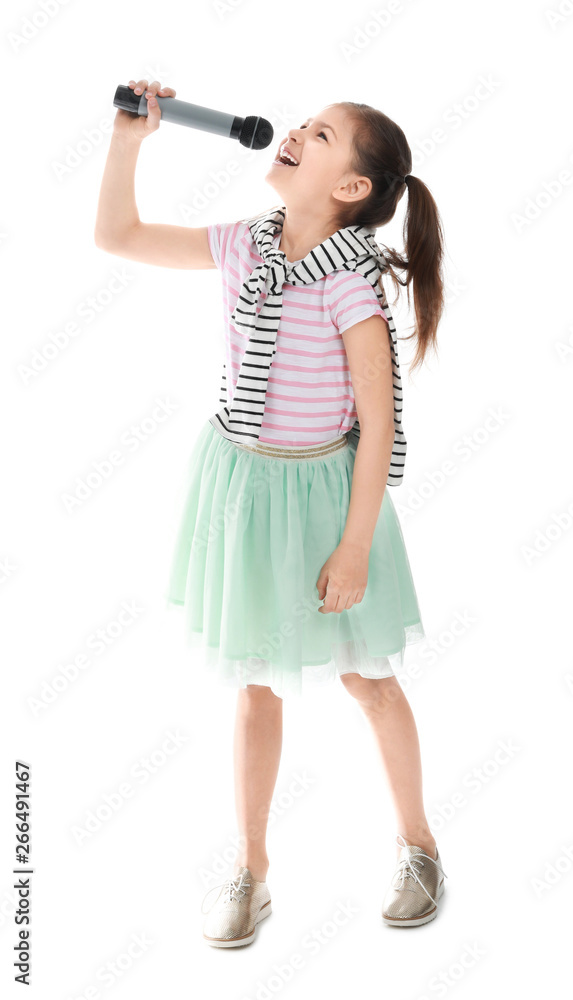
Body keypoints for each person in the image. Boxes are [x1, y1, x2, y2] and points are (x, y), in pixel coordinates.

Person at [95, 78, 448, 948]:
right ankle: (251, 870)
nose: (296, 131)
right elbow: (118, 235)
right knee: (254, 682)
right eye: (303, 123)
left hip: (327, 498)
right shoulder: (244, 246)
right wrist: (129, 143)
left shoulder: (349, 287)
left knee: (366, 677)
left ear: (351, 190)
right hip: (242, 490)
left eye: (321, 134)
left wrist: (356, 546)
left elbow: (379, 427)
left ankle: (420, 845)